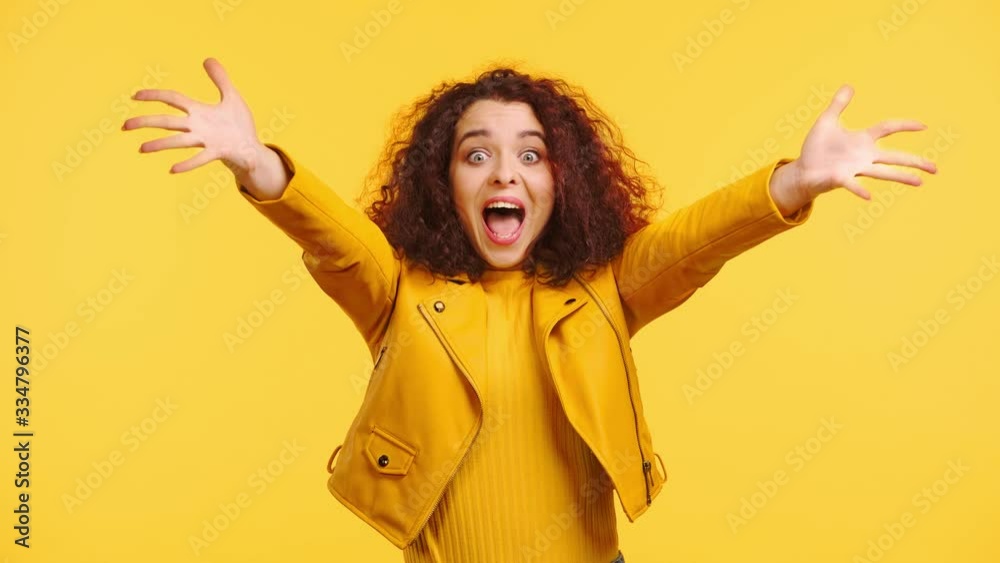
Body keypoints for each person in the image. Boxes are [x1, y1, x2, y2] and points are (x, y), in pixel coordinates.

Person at [124, 58, 936, 563]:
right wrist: (257, 163)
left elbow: (694, 243)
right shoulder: (398, 293)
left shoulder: (604, 290)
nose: (503, 174)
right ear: (444, 184)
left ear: (562, 181)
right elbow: (335, 239)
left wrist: (794, 182)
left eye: (531, 154)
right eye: (475, 154)